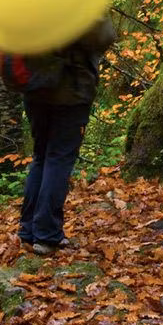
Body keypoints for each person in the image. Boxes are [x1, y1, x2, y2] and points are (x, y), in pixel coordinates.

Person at [19, 15, 116, 255]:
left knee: (41, 156)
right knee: (58, 158)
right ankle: (46, 235)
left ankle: (29, 230)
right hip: (70, 91)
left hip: (35, 87)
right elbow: (104, 36)